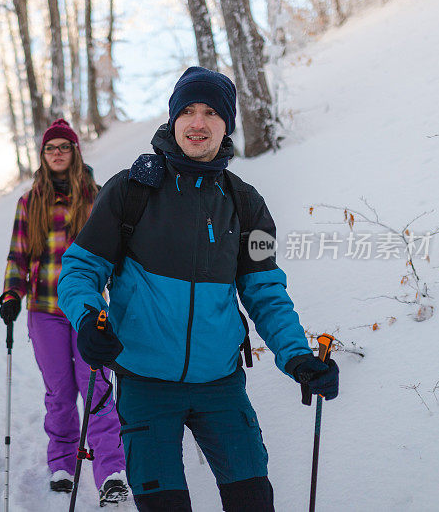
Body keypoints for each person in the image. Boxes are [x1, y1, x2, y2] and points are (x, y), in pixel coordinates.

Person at [57, 68, 339, 512]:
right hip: (145, 384)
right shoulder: (131, 191)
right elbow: (79, 269)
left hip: (220, 385)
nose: (198, 122)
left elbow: (265, 292)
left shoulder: (247, 204)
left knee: (253, 502)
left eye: (211, 112)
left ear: (227, 125)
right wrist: (89, 318)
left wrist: (297, 355)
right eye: (187, 110)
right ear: (173, 120)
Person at [0, 119, 128, 505]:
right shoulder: (29, 202)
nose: (57, 153)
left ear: (75, 152)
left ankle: (111, 470)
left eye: (64, 147)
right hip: (44, 310)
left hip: (88, 309)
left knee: (98, 388)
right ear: (43, 155)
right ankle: (63, 464)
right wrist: (11, 293)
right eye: (50, 147)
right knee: (59, 392)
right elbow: (17, 256)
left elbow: (116, 250)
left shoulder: (97, 197)